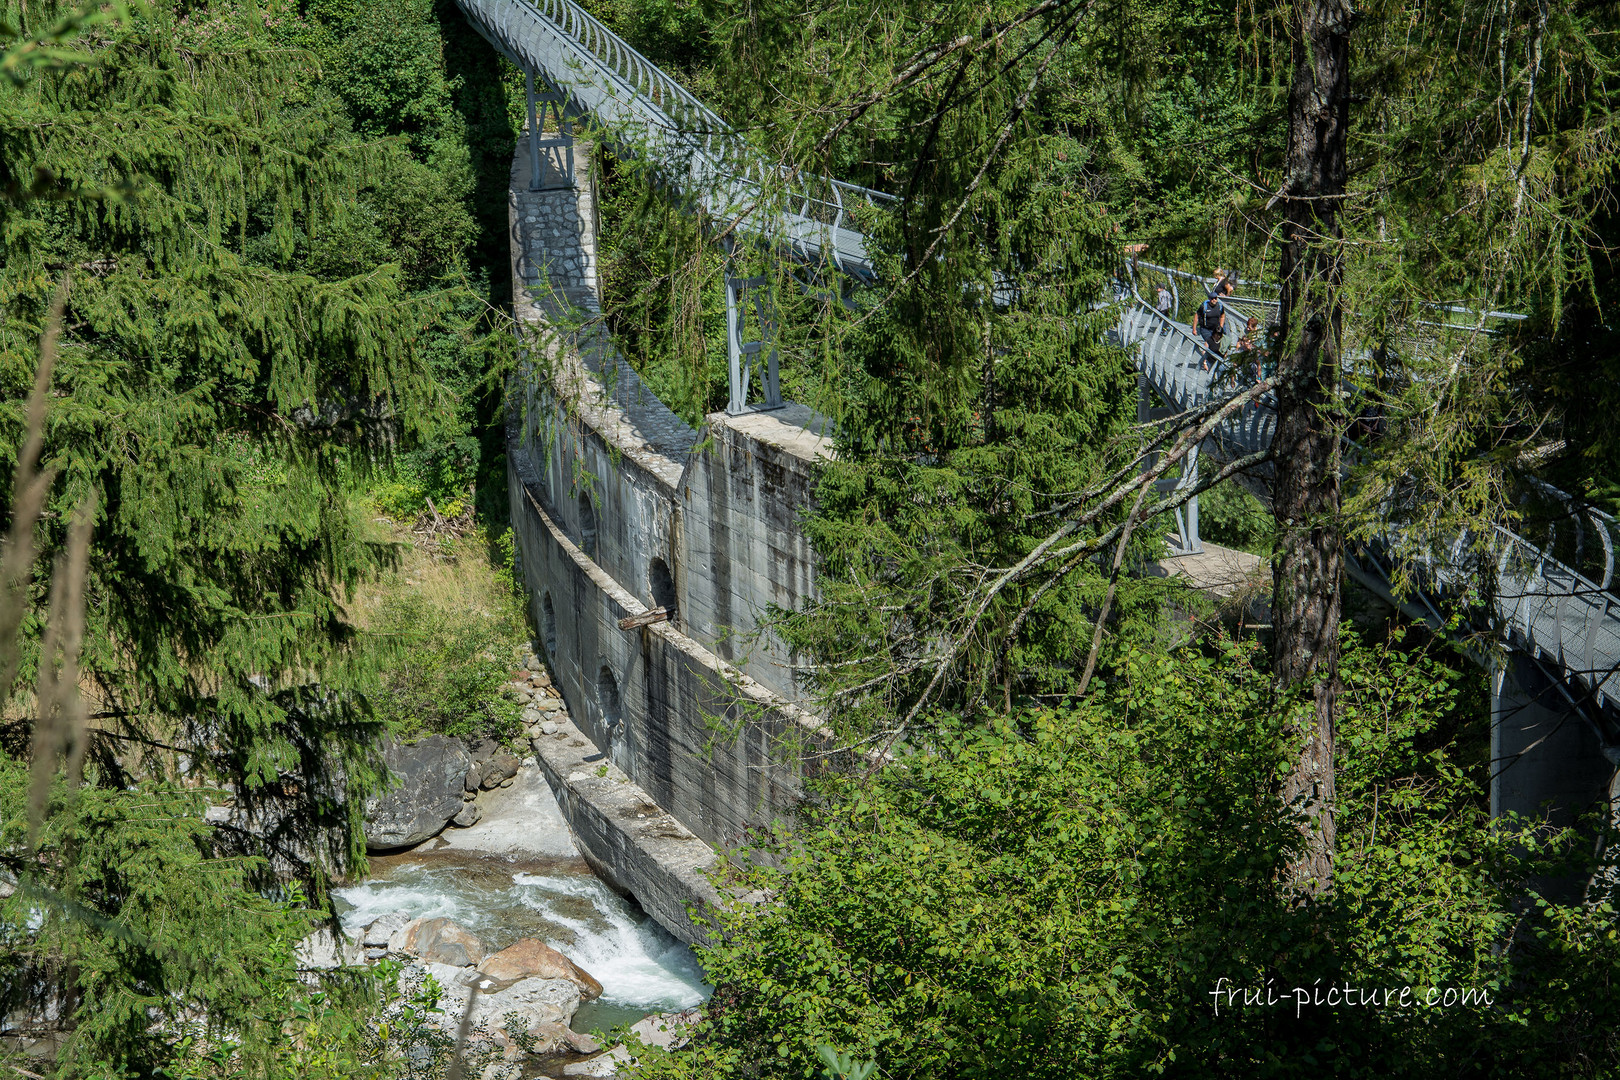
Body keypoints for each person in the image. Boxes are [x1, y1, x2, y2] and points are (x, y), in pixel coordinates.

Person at [1194, 278, 1233, 371]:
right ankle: (1205, 362)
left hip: (1215, 329)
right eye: (1212, 298)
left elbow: (1222, 316)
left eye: (1215, 298)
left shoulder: (1219, 306)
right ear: (1209, 299)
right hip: (1205, 329)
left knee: (1216, 345)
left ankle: (1215, 362)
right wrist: (1194, 328)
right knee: (1208, 344)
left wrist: (1221, 326)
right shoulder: (1204, 306)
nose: (1214, 300)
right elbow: (1197, 316)